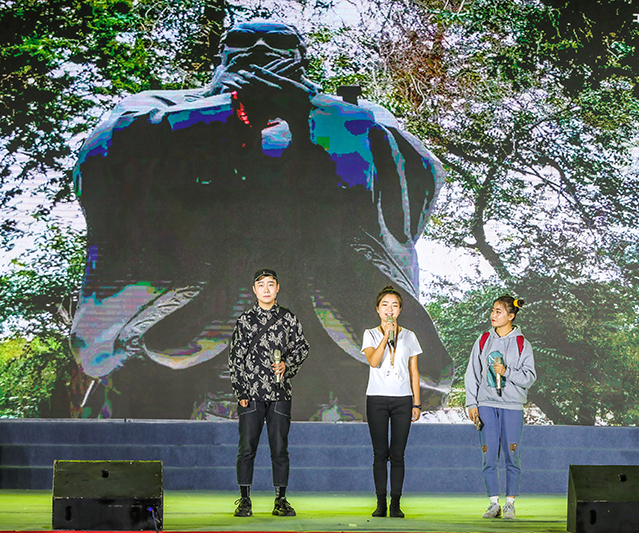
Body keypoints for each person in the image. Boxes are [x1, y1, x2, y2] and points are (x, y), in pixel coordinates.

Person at [69, 19, 453, 420]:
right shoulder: (160, 105)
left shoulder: (353, 113)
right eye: (242, 41)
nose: (259, 49)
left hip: (320, 277)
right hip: (207, 278)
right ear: (221, 55)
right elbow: (104, 154)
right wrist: (220, 114)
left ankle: (331, 396)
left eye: (277, 41)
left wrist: (316, 119)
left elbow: (419, 169)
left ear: (301, 57)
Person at [228, 268, 309, 518]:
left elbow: (302, 348)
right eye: (261, 285)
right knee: (246, 448)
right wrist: (240, 390)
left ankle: (281, 499)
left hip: (280, 393)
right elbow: (235, 358)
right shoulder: (245, 320)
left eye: (270, 284)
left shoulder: (288, 318)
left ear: (277, 288)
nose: (266, 289)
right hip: (251, 393)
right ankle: (244, 500)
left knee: (280, 449)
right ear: (254, 290)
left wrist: (287, 365)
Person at [464, 295, 536, 520]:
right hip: (486, 405)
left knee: (512, 455)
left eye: (499, 311)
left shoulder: (522, 344)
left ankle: (510, 504)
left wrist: (507, 372)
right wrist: (472, 403)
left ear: (511, 316)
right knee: (489, 455)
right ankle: (493, 503)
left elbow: (529, 377)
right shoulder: (483, 340)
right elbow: (472, 373)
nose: (493, 315)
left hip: (512, 407)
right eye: (493, 310)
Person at [361, 286, 422, 518]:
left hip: (403, 400)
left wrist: (416, 403)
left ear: (400, 310)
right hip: (376, 398)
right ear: (378, 309)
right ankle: (380, 503)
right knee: (380, 453)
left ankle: (395, 503)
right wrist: (386, 336)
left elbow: (414, 372)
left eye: (394, 305)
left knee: (398, 454)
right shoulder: (370, 334)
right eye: (385, 305)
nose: (390, 309)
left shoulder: (410, 336)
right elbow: (373, 361)